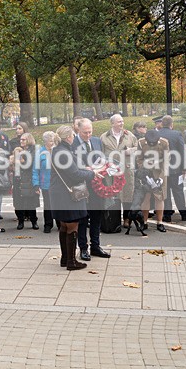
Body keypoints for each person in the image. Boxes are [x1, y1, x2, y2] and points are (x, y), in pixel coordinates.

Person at [50, 125, 96, 270]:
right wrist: (92, 174)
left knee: (64, 226)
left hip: (59, 193)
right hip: (68, 194)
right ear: (69, 137)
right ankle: (71, 262)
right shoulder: (64, 153)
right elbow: (75, 175)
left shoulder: (58, 150)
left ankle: (65, 259)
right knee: (72, 226)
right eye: (73, 135)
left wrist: (85, 168)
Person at [71, 118, 110, 260]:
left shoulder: (96, 141)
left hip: (97, 185)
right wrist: (86, 169)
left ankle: (96, 246)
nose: (88, 135)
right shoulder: (72, 144)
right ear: (78, 130)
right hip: (81, 185)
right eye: (84, 132)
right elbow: (71, 166)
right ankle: (83, 248)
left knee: (96, 217)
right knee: (82, 218)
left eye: (90, 132)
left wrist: (105, 165)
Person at [101, 114, 136, 229]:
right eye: (119, 122)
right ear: (112, 124)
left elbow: (138, 147)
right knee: (113, 195)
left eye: (122, 121)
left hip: (126, 170)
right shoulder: (104, 137)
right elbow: (100, 154)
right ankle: (114, 219)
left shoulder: (129, 135)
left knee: (127, 194)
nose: (122, 123)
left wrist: (131, 150)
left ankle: (126, 219)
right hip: (111, 172)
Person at [135, 129, 169, 232]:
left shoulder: (164, 143)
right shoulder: (141, 143)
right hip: (146, 172)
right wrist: (144, 174)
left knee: (160, 198)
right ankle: (144, 222)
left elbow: (167, 161)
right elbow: (139, 159)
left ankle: (160, 222)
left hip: (159, 171)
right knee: (146, 197)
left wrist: (161, 178)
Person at [158, 115, 186, 222]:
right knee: (178, 192)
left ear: (162, 124)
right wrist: (184, 168)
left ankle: (167, 215)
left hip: (161, 169)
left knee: (164, 192)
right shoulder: (176, 134)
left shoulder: (157, 134)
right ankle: (184, 213)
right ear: (172, 124)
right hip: (175, 169)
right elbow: (182, 152)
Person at [11, 133, 40, 230]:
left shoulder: (33, 151)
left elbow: (29, 163)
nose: (21, 141)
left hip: (29, 179)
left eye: (24, 139)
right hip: (18, 179)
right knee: (19, 202)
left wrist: (20, 159)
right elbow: (13, 162)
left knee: (31, 202)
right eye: (21, 140)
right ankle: (20, 221)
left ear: (29, 140)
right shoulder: (18, 150)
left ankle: (34, 221)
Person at [33, 131, 58, 233]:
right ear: (45, 141)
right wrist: (36, 184)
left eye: (53, 141)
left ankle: (60, 223)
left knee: (58, 204)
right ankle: (48, 224)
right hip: (46, 183)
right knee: (48, 205)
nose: (52, 143)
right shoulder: (40, 153)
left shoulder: (58, 151)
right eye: (50, 141)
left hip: (57, 183)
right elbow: (35, 169)